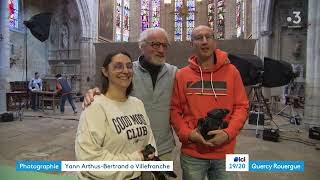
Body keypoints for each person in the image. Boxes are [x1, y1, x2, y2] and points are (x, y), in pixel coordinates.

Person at [84, 28, 178, 161]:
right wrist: (94, 92)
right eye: (156, 45)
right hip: (132, 148)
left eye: (164, 46)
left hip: (164, 148)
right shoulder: (127, 72)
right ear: (142, 46)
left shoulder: (174, 73)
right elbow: (108, 92)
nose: (161, 50)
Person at [170, 25, 249, 180]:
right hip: (193, 153)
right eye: (199, 38)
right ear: (191, 44)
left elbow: (241, 106)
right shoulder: (182, 75)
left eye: (209, 37)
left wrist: (227, 133)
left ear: (215, 42)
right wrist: (189, 134)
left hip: (225, 152)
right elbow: (174, 109)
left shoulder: (232, 72)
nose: (204, 41)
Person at [75, 51, 157, 180]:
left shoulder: (137, 104)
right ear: (105, 72)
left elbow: (149, 143)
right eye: (118, 66)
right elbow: (89, 160)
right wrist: (138, 158)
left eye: (129, 66)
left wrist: (150, 156)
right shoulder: (96, 106)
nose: (125, 71)